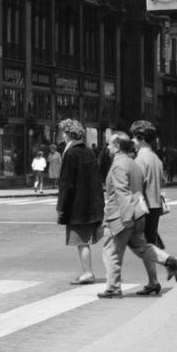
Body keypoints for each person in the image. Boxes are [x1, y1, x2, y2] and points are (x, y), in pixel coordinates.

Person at [98, 131, 161, 299]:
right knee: (142, 247)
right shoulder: (134, 163)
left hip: (121, 216)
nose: (108, 147)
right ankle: (170, 261)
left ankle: (112, 288)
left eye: (109, 144)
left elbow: (122, 193)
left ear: (117, 147)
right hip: (138, 214)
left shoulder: (119, 165)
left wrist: (127, 218)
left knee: (111, 252)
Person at [131, 120, 177, 284]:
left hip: (143, 207)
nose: (132, 142)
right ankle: (153, 282)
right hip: (155, 206)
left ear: (141, 138)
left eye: (134, 138)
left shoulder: (140, 159)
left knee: (142, 246)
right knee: (148, 244)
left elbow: (137, 187)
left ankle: (170, 263)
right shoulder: (156, 158)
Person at [55, 118, 105, 283]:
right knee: (84, 240)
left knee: (81, 241)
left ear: (69, 134)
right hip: (90, 203)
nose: (62, 135)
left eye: (63, 132)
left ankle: (87, 273)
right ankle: (87, 272)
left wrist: (60, 206)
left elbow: (66, 184)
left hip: (78, 205)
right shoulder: (88, 151)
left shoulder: (71, 153)